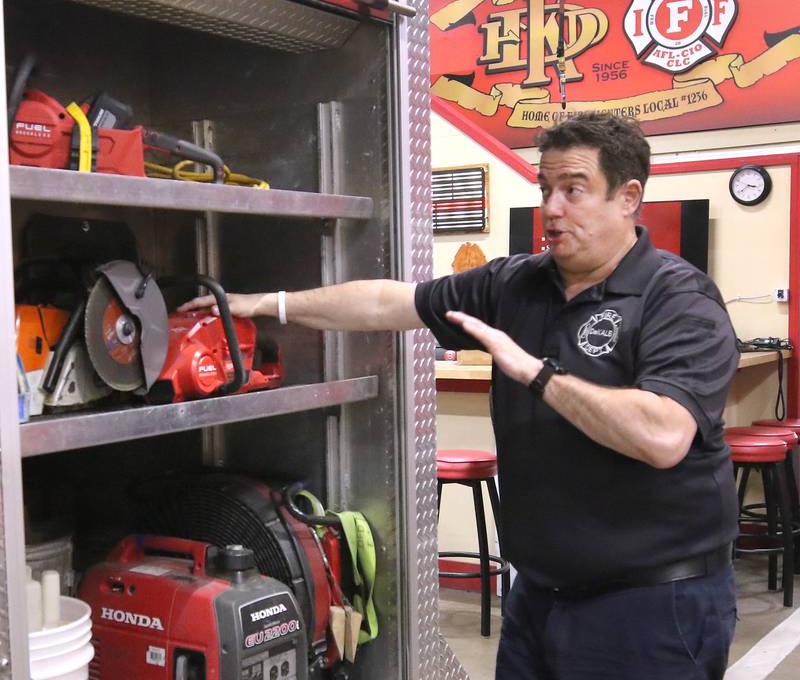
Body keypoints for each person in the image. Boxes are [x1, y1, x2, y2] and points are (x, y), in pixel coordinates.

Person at [181, 112, 739, 680]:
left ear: (628, 197)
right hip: (539, 598)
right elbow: (385, 303)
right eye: (545, 189)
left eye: (574, 190)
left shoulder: (679, 298)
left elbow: (664, 435)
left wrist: (537, 375)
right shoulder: (515, 282)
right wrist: (263, 303)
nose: (551, 208)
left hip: (653, 607)